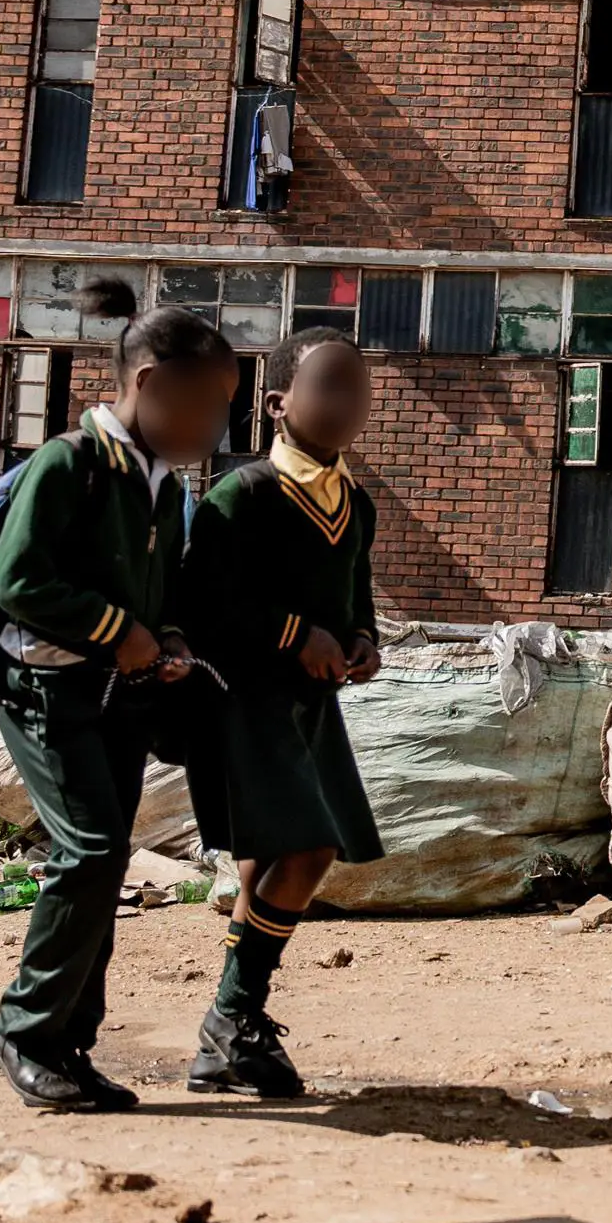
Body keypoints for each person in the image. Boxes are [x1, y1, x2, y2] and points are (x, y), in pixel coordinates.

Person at [0, 293, 234, 1113]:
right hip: (47, 690)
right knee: (89, 851)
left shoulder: (161, 484)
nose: (215, 429)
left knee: (106, 857)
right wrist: (116, 630)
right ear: (150, 384)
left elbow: (160, 591)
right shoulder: (71, 464)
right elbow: (17, 581)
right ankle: (26, 1031)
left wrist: (167, 638)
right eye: (206, 406)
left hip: (120, 695)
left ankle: (70, 1046)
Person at [174, 331, 387, 1098]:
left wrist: (362, 640)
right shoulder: (245, 495)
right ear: (276, 403)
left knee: (266, 862)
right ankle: (233, 1014)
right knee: (309, 849)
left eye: (358, 390)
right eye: (328, 385)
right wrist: (296, 635)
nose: (346, 402)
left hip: (310, 706)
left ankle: (226, 1044)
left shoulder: (354, 502)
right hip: (244, 700)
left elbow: (355, 598)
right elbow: (203, 604)